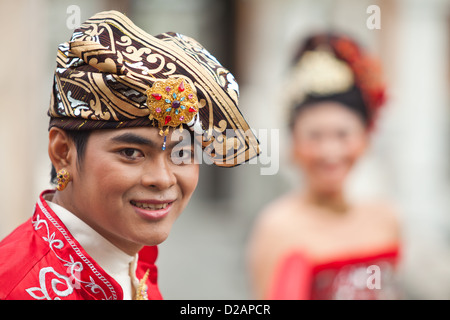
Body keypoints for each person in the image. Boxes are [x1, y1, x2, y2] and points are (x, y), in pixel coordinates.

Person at [0, 10, 259, 300]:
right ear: (63, 152)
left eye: (183, 153)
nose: (162, 179)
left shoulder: (132, 258)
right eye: (131, 152)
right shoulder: (15, 286)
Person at [247, 33, 401, 300]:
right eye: (315, 136)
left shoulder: (386, 219)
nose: (330, 152)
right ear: (293, 145)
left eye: (342, 134)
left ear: (365, 140)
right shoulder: (277, 227)